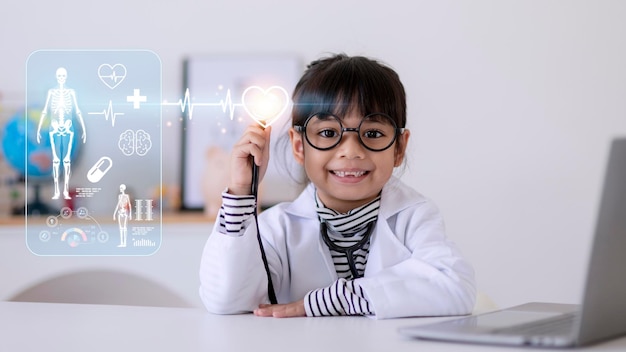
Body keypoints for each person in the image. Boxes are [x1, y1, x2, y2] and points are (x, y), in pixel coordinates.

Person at [199, 54, 476, 319]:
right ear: (299, 146)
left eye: (373, 133)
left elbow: (454, 287)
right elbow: (227, 300)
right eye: (329, 133)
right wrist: (240, 192)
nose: (351, 151)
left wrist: (332, 301)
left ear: (399, 148)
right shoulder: (277, 228)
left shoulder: (415, 216)